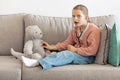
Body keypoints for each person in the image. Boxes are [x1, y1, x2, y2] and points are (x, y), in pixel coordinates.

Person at [22, 4, 101, 70]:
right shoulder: (75, 30)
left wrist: (76, 50)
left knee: (68, 54)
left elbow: (92, 50)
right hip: (76, 54)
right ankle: (44, 60)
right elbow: (66, 43)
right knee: (60, 53)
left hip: (87, 57)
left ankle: (38, 62)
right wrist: (51, 47)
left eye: (78, 16)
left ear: (86, 18)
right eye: (73, 16)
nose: (75, 18)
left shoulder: (93, 30)